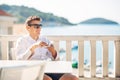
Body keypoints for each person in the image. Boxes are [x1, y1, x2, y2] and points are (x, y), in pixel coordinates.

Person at [15, 16, 78, 80]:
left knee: (73, 78)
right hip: (32, 70)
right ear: (28, 27)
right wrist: (32, 48)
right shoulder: (22, 41)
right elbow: (19, 60)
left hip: (48, 69)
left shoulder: (44, 39)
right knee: (47, 79)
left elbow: (56, 60)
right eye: (36, 26)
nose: (39, 28)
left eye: (40, 26)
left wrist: (53, 52)